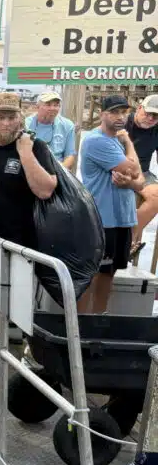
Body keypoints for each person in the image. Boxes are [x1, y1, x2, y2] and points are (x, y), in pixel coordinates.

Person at [0, 92, 58, 379]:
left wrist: (25, 153)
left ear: (21, 117)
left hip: (5, 244)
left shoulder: (35, 148)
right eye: (0, 116)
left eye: (11, 116)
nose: (5, 122)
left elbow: (45, 189)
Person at [78, 95, 140, 314]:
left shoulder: (116, 140)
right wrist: (129, 143)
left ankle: (98, 320)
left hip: (121, 218)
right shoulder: (97, 140)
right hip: (102, 219)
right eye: (114, 112)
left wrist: (132, 179)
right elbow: (134, 170)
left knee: (109, 273)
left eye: (124, 112)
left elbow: (139, 181)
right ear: (102, 114)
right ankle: (81, 328)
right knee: (92, 274)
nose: (120, 117)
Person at [126, 94, 158, 257]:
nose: (151, 118)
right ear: (139, 108)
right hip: (118, 168)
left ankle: (128, 238)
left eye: (156, 116)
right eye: (148, 113)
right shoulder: (122, 123)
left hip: (143, 172)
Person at [25, 92, 77, 172]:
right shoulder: (25, 124)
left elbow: (70, 155)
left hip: (58, 171)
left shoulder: (67, 125)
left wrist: (58, 173)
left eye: (56, 105)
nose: (52, 108)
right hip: (30, 170)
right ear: (37, 107)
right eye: (48, 104)